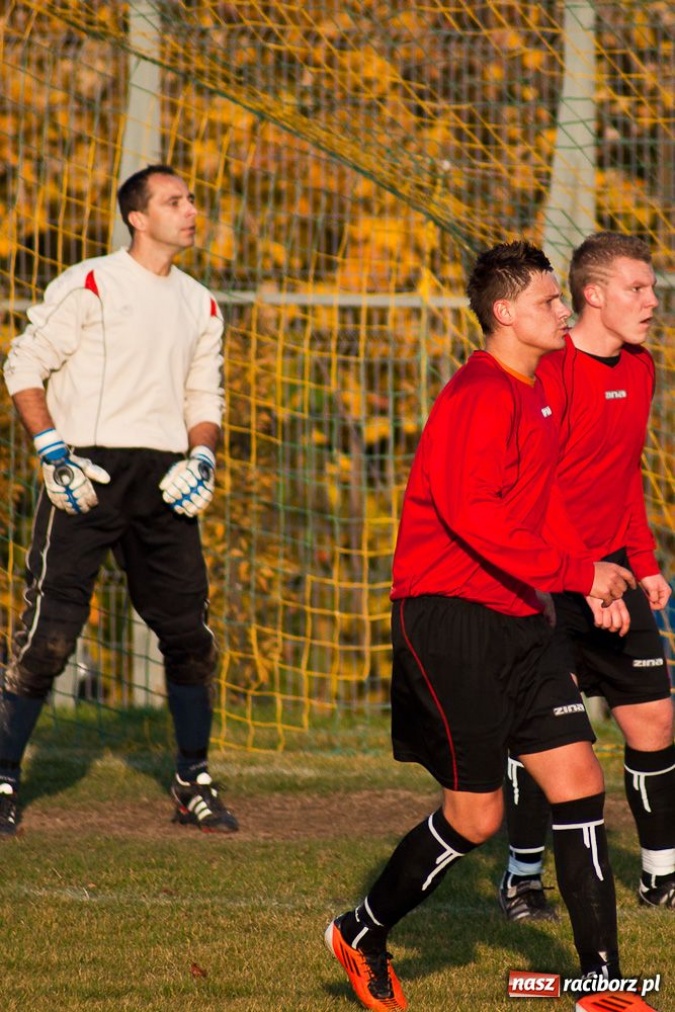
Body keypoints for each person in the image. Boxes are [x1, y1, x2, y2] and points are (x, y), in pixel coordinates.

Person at [323, 240, 638, 1012]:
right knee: (478, 814)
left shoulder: (534, 392)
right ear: (505, 314)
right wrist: (573, 574)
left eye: (561, 300)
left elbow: (542, 507)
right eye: (548, 301)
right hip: (449, 618)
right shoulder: (477, 394)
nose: (563, 310)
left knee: (579, 780)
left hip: (519, 615)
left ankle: (601, 986)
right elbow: (471, 519)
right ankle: (361, 930)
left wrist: (589, 572)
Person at [0, 164, 238, 837]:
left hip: (164, 483)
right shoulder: (90, 282)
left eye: (192, 199)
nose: (190, 210)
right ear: (138, 216)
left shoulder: (201, 302)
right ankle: (3, 776)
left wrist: (201, 455)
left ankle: (193, 782)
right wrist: (52, 449)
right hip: (88, 476)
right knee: (48, 638)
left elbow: (204, 395)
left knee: (189, 636)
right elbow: (22, 366)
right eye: (174, 201)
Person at [498, 232, 674, 923]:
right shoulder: (550, 370)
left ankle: (660, 877)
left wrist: (644, 564)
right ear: (591, 295)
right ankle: (520, 878)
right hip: (547, 575)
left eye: (652, 288)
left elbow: (619, 472)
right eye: (637, 289)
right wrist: (584, 580)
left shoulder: (640, 368)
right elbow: (538, 491)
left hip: (611, 569)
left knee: (655, 719)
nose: (651, 301)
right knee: (550, 731)